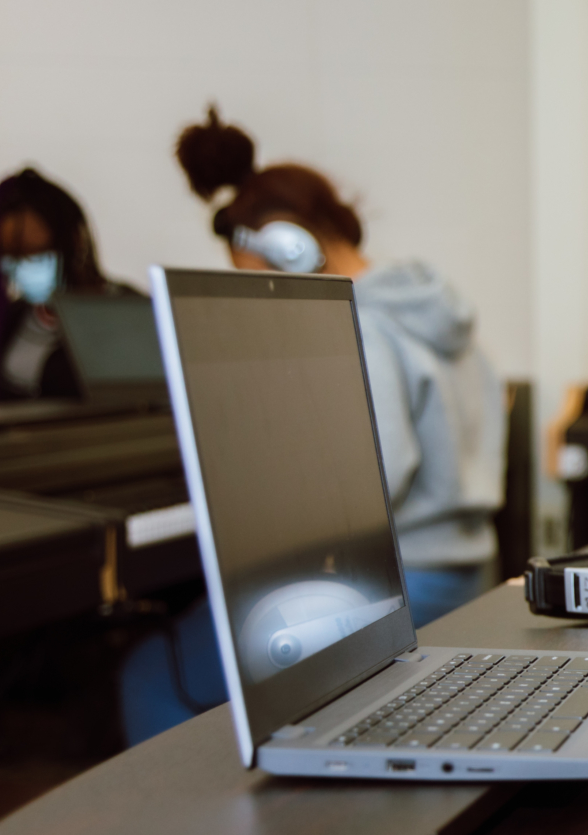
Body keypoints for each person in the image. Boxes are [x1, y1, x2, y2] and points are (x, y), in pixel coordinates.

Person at [173, 107, 506, 625]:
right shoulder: (428, 307)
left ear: (293, 250)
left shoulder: (364, 324)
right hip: (469, 568)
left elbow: (378, 475)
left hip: (401, 577)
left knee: (155, 667)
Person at [0, 167, 142, 403]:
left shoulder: (129, 314)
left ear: (75, 241)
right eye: (13, 257)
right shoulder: (2, 328)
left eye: (36, 253)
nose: (23, 266)